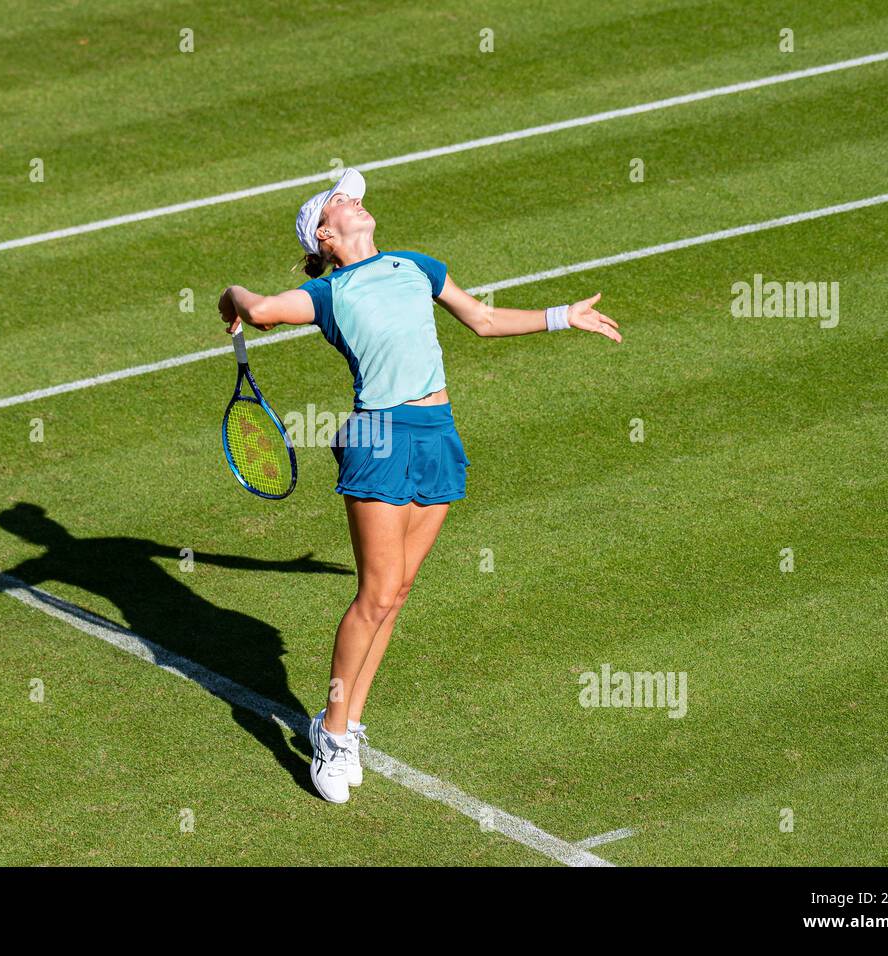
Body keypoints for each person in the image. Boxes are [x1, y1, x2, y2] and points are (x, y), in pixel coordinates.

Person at [218, 168, 621, 803]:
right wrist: (232, 294)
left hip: (438, 432)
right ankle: (332, 733)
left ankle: (345, 723)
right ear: (325, 233)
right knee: (375, 593)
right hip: (379, 437)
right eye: (342, 199)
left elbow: (482, 320)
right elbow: (263, 312)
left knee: (398, 591)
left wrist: (561, 316)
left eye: (355, 194)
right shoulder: (326, 294)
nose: (356, 200)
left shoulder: (417, 266)